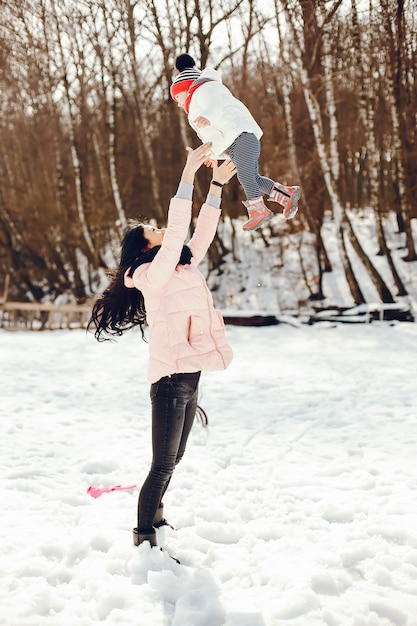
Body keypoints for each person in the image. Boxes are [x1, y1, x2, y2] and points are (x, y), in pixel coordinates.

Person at [88, 144, 235, 554]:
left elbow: (200, 233)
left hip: (191, 374)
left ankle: (156, 520)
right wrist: (188, 173)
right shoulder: (149, 273)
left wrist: (216, 188)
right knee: (162, 465)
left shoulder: (179, 265)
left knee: (176, 458)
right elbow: (176, 234)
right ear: (143, 246)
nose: (162, 231)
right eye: (153, 230)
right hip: (170, 379)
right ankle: (145, 538)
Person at [170, 53, 301, 231]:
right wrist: (212, 153)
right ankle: (286, 195)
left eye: (177, 98)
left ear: (185, 89)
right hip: (235, 141)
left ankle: (258, 209)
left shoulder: (204, 89)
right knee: (253, 178)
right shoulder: (195, 108)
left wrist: (207, 116)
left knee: (245, 176)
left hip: (241, 134)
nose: (178, 104)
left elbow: (214, 105)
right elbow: (214, 136)